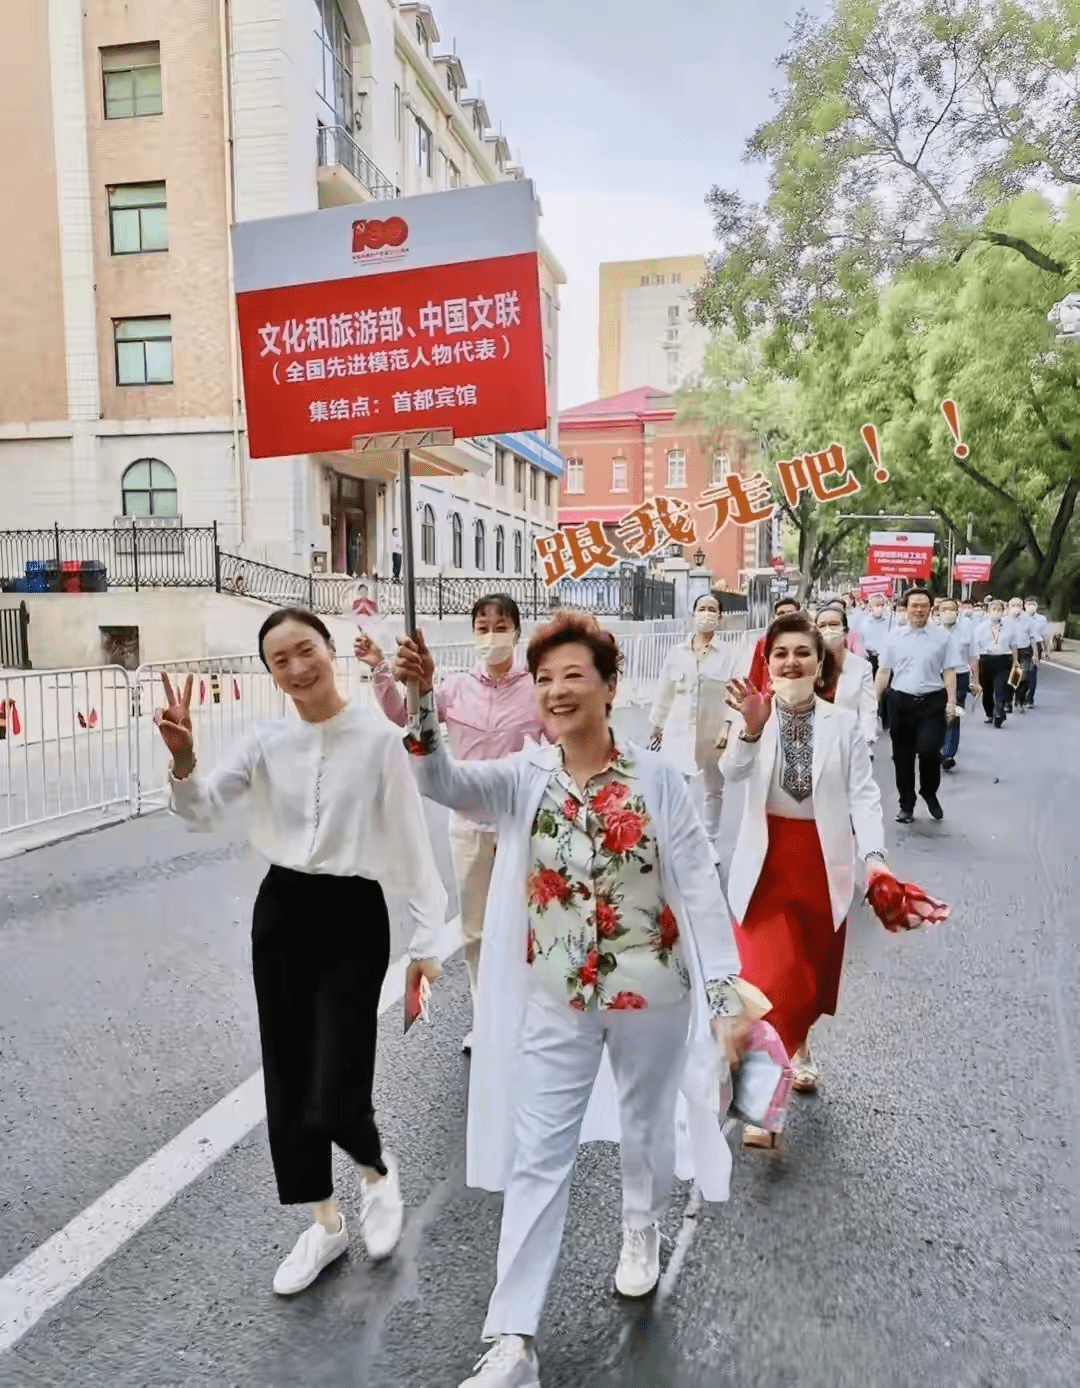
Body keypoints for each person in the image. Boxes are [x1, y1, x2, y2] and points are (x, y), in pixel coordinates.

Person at [391, 612, 764, 1388]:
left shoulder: (658, 779)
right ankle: (514, 1340)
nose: (558, 691)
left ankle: (640, 1225)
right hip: (556, 999)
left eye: (574, 676)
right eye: (547, 679)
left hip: (652, 994)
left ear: (608, 686)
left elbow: (699, 891)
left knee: (645, 1132)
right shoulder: (524, 777)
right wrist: (422, 702)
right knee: (539, 1158)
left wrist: (728, 997)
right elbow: (443, 782)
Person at [159, 609, 446, 1296]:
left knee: (337, 1078)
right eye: (279, 659)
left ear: (328, 650)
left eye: (304, 650)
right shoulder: (264, 741)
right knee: (287, 1073)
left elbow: (410, 841)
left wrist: (428, 940)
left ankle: (376, 1172)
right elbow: (201, 810)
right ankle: (323, 1223)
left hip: (352, 914)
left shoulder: (379, 740)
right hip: (283, 911)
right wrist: (183, 763)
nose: (295, 668)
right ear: (269, 672)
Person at [358, 594, 550, 1054]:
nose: (491, 637)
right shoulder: (457, 689)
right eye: (482, 627)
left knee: (530, 926)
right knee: (477, 930)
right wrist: (382, 670)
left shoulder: (538, 689)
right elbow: (407, 713)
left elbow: (564, 745)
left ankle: (532, 1020)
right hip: (468, 825)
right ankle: (487, 1019)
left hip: (523, 825)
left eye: (500, 627)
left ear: (517, 632)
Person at [723, 613, 888, 1137]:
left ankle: (799, 1043)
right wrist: (750, 729)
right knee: (770, 979)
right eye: (781, 653)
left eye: (802, 652)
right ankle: (759, 1110)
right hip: (765, 865)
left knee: (805, 984)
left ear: (820, 666)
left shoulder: (842, 723)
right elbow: (731, 772)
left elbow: (863, 794)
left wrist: (876, 858)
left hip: (821, 863)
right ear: (768, 664)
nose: (791, 661)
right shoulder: (755, 713)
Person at [648, 593, 738, 856]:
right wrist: (656, 723)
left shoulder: (729, 654)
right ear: (694, 613)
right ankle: (677, 838)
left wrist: (728, 727)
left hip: (713, 732)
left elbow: (735, 693)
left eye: (712, 610)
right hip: (678, 730)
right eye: (702, 608)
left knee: (714, 790)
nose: (706, 614)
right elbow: (665, 689)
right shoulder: (677, 652)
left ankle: (710, 840)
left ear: (720, 618)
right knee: (676, 787)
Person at [874, 588, 958, 823]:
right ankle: (906, 804)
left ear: (930, 609)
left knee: (930, 750)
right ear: (906, 608)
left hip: (932, 700)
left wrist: (951, 702)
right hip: (900, 700)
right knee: (902, 756)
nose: (919, 610)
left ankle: (929, 792)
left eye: (923, 605)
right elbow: (883, 671)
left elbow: (949, 670)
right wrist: (873, 700)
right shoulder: (893, 637)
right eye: (914, 605)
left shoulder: (942, 637)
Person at [815, 604, 877, 752]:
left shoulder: (862, 667)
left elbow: (868, 708)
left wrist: (867, 741)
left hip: (851, 742)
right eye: (822, 626)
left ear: (845, 630)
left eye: (834, 624)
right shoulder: (809, 664)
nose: (828, 630)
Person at [937, 597, 979, 771]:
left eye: (951, 609)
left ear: (958, 611)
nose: (948, 612)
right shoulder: (931, 630)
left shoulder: (967, 629)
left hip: (960, 675)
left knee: (953, 714)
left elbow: (973, 656)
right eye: (943, 609)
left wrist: (975, 679)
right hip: (936, 677)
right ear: (937, 613)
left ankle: (948, 753)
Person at [974, 598, 1020, 728]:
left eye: (999, 610)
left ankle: (999, 713)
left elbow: (1014, 644)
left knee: (1001, 688)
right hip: (986, 659)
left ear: (1003, 612)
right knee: (987, 690)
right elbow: (975, 646)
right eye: (993, 610)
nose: (996, 612)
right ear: (988, 612)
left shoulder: (1009, 627)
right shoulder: (981, 627)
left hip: (1004, 659)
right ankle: (990, 713)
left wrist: (1016, 661)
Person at [747, 595, 801, 694]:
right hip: (770, 700)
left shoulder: (808, 642)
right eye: (781, 613)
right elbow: (755, 679)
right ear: (774, 618)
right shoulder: (763, 643)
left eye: (790, 613)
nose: (785, 616)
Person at [1007, 596, 1039, 713]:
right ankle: (1008, 701)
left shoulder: (1027, 620)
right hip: (1008, 652)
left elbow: (1033, 638)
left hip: (1024, 651)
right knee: (1011, 678)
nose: (1016, 608)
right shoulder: (1004, 620)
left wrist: (1035, 654)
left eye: (1019, 605)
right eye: (1013, 605)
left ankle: (1020, 700)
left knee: (1023, 677)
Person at [1024, 598, 1049, 706]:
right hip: (1022, 646)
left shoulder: (1041, 619)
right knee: (1021, 671)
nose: (1031, 606)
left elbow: (1045, 635)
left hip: (1036, 646)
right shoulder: (1020, 618)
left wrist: (1047, 650)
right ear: (1025, 606)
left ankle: (1030, 698)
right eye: (1029, 604)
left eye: (1033, 604)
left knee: (1032, 671)